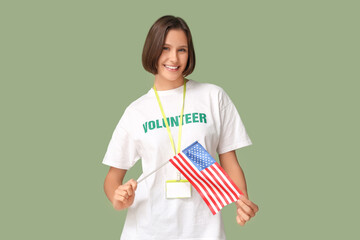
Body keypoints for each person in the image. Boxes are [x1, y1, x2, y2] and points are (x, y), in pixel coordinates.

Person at [102, 15, 259, 240]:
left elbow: (229, 161)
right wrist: (117, 198)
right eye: (165, 48)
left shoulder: (213, 96)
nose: (173, 58)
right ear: (152, 50)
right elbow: (112, 178)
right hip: (147, 229)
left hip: (204, 231)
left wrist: (242, 202)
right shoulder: (136, 112)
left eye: (182, 50)